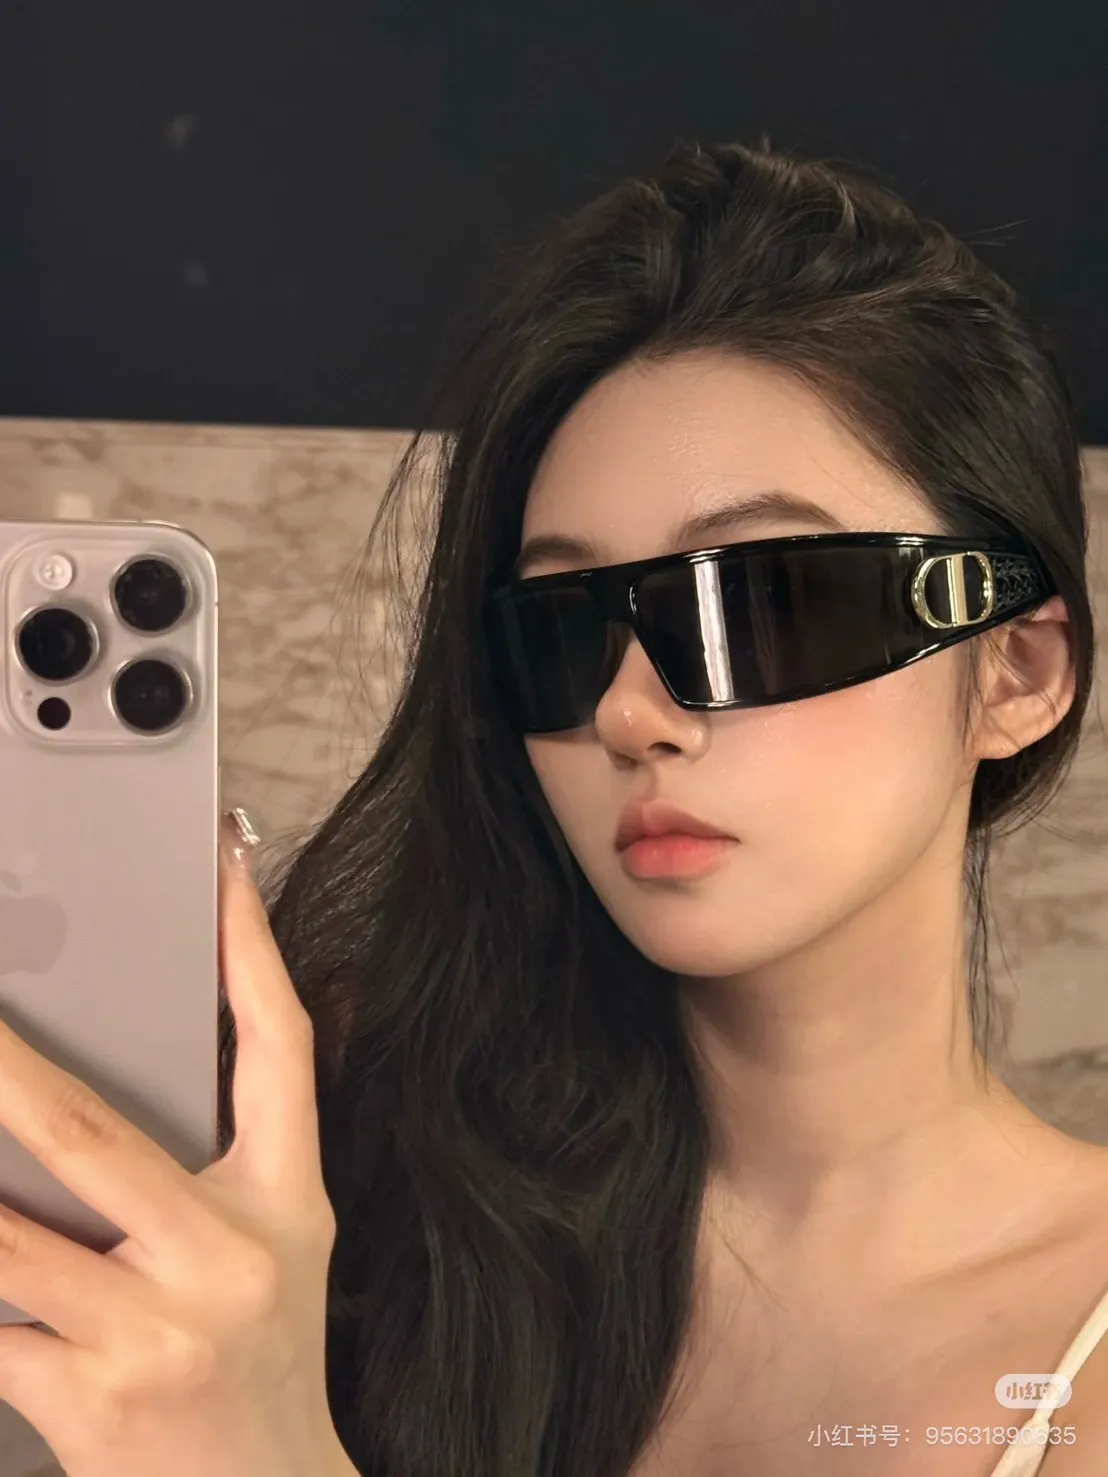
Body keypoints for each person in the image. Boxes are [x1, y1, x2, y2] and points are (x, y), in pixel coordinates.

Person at [226, 139, 1108, 1475]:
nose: (632, 715)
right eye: (563, 629)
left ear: (1015, 670)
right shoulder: (388, 1217)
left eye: (756, 601)